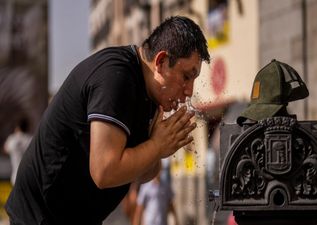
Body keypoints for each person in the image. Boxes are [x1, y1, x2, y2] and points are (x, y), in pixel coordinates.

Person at [5, 16, 210, 225]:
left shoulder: (149, 97)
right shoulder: (116, 77)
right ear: (161, 61)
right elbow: (105, 171)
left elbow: (143, 174)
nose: (189, 91)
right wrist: (156, 146)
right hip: (40, 218)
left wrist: (158, 147)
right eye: (186, 76)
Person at [4, 118, 32, 185]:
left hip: (15, 176)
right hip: (29, 176)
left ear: (17, 127)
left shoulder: (12, 139)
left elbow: (5, 149)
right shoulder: (31, 139)